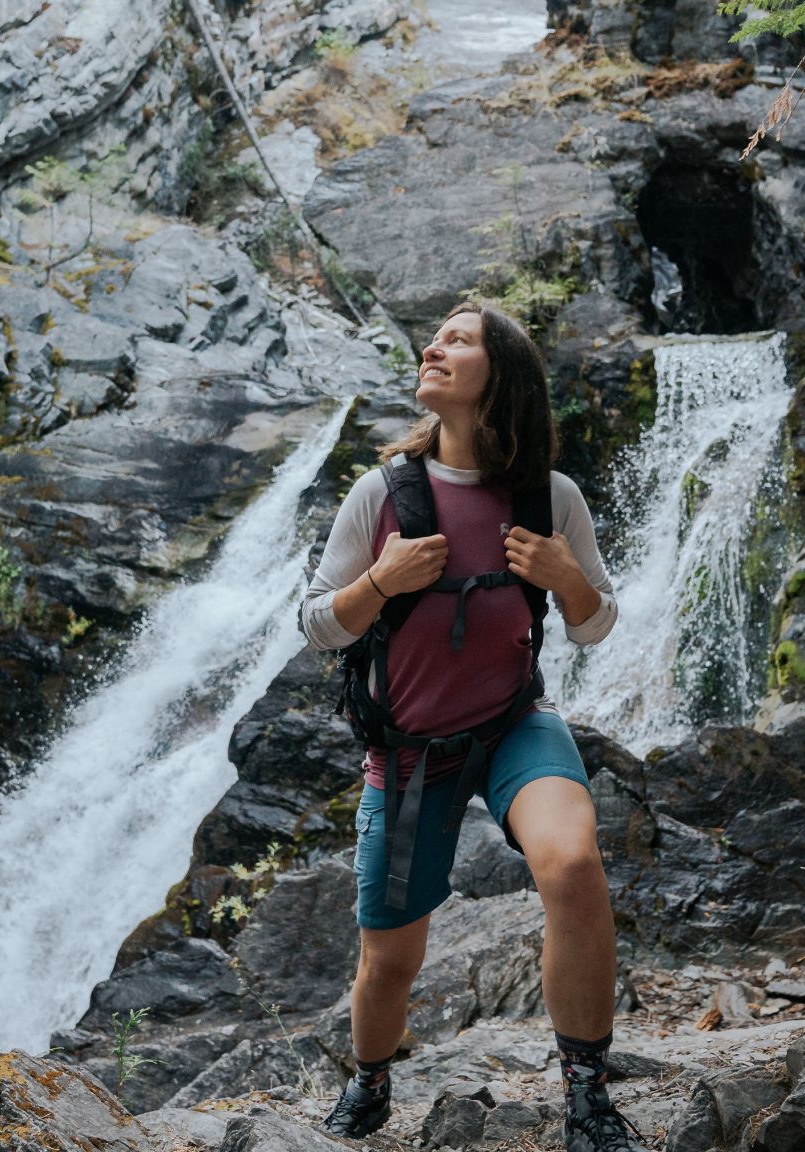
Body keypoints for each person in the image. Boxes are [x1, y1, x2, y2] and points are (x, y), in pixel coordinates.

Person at [296, 301, 638, 1152]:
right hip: (411, 753)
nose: (434, 347)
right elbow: (316, 624)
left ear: (503, 375)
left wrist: (567, 578)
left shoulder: (550, 497)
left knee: (572, 865)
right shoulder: (382, 494)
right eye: (435, 338)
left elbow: (596, 625)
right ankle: (371, 1083)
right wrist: (380, 580)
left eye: (458, 339)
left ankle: (589, 1097)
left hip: (516, 724)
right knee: (390, 962)